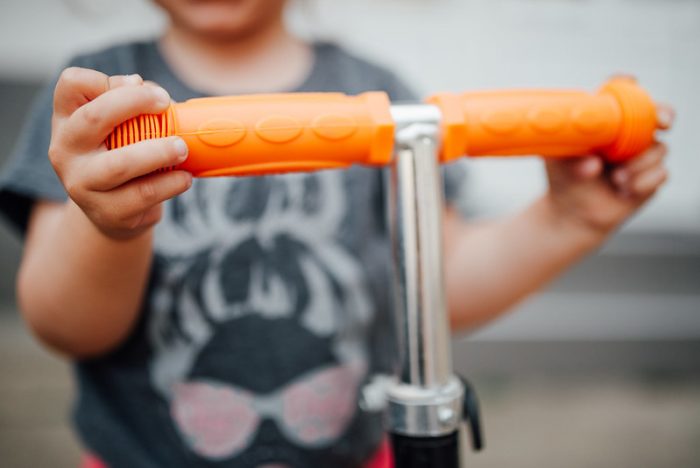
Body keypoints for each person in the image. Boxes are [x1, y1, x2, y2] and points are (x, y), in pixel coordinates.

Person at [0, 0, 672, 467]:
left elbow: (443, 286)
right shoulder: (100, 104)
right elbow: (67, 327)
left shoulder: (377, 89)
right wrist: (114, 227)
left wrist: (565, 221)